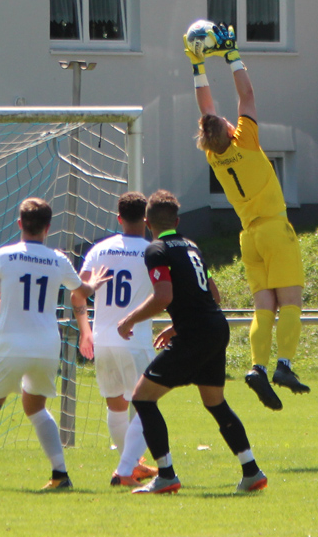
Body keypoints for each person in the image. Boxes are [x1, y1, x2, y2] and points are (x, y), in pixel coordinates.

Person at [185, 22, 307, 411]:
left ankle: (257, 366)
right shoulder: (247, 141)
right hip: (274, 228)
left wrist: (197, 65)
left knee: (263, 306)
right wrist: (233, 55)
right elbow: (247, 95)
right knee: (290, 302)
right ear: (229, 129)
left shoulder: (214, 154)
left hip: (248, 237)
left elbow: (206, 110)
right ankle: (284, 365)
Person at [0, 198, 110, 491]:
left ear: (20, 223)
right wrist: (94, 284)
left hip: (11, 343)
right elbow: (82, 291)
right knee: (36, 407)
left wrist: (10, 306)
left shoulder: (3, 255)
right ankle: (60, 474)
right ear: (48, 227)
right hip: (47, 346)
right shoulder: (58, 259)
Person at [117, 190, 266, 494]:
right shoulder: (191, 245)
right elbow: (213, 294)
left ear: (147, 222)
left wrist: (130, 319)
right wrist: (177, 326)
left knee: (143, 398)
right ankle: (251, 471)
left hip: (197, 332)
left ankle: (167, 475)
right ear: (177, 220)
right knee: (215, 402)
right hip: (214, 327)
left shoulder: (156, 249)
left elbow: (163, 296)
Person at [71, 191, 159, 486]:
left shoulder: (100, 249)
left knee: (115, 405)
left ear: (119, 218)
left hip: (103, 338)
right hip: (135, 338)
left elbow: (78, 291)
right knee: (148, 404)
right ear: (146, 220)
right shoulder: (152, 250)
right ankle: (127, 467)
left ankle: (131, 466)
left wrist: (85, 330)